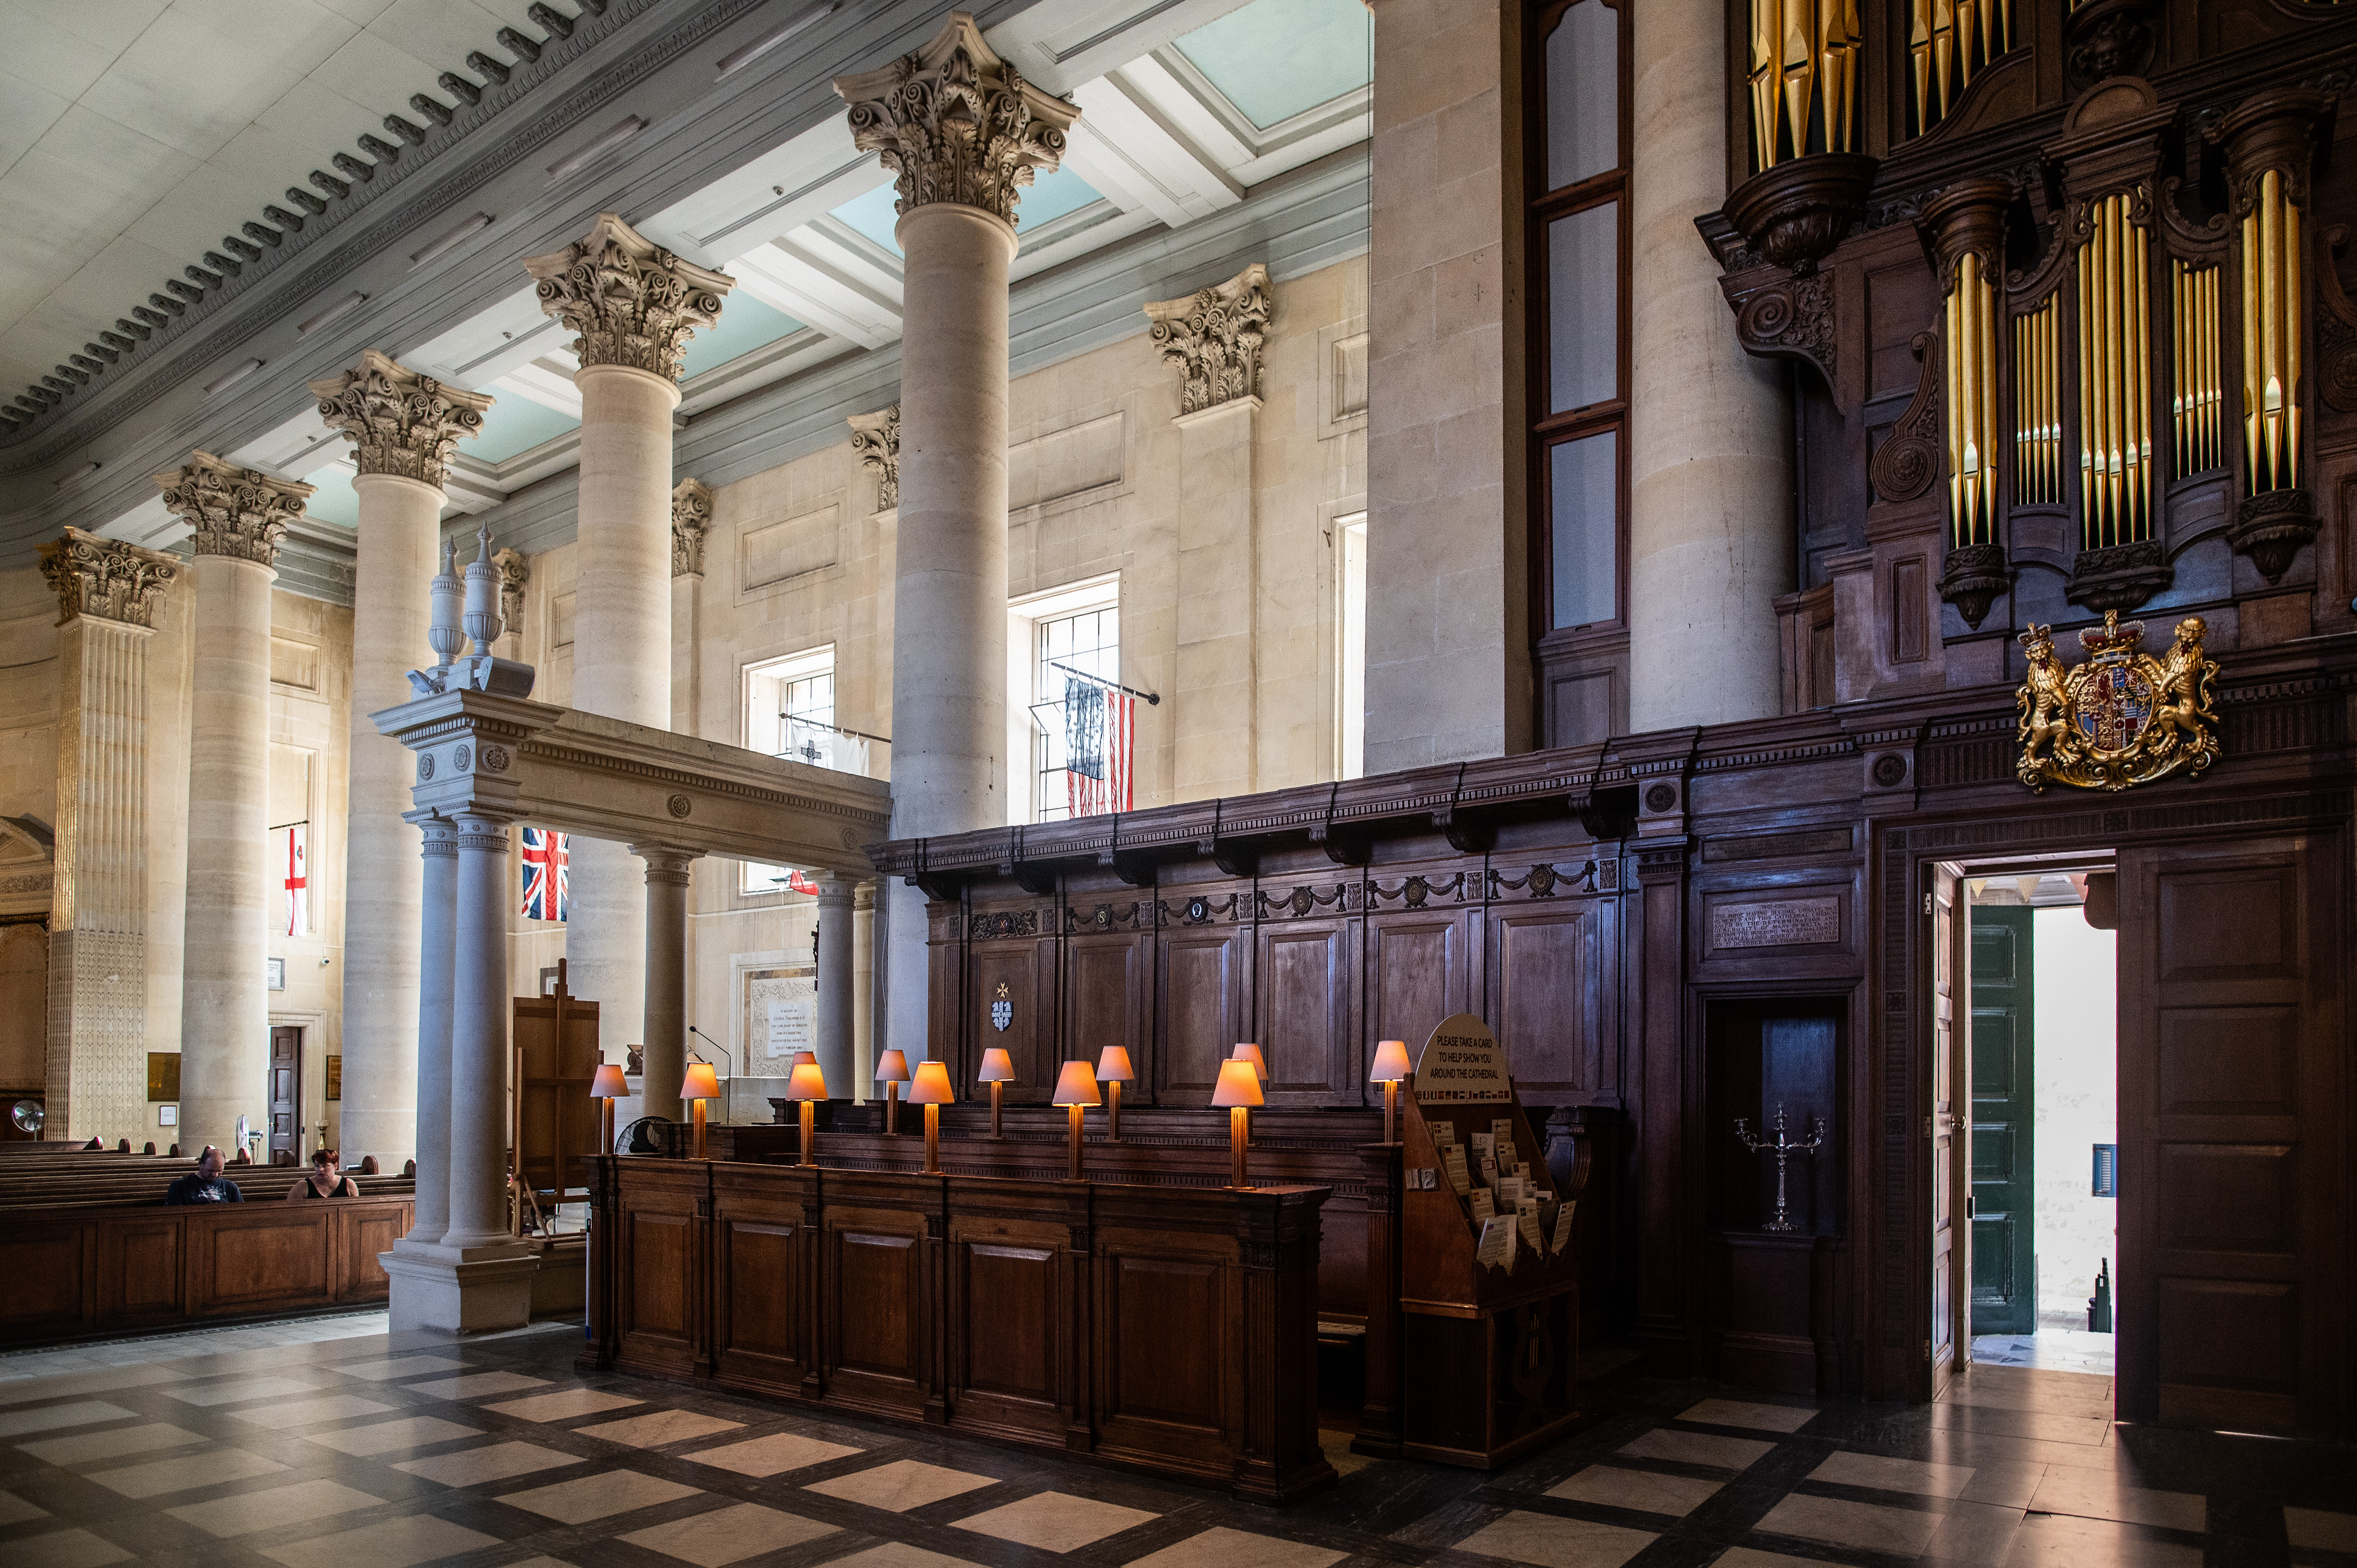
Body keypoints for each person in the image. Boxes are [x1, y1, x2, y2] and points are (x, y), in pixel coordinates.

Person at [164, 1147, 243, 1205]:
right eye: (211, 1171)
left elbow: (240, 1214)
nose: (215, 1175)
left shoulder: (231, 1187)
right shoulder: (179, 1186)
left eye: (220, 1171)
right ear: (200, 1164)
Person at [286, 1148, 360, 1200]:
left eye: (325, 1166)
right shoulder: (303, 1186)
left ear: (336, 1166)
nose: (321, 1169)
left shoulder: (349, 1184)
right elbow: (292, 1213)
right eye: (317, 1166)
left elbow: (355, 1211)